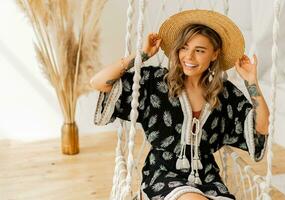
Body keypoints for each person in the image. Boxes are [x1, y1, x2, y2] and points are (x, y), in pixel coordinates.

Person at [90, 10, 269, 200]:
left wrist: (252, 82)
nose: (189, 57)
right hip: (163, 175)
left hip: (208, 179)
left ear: (215, 54)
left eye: (199, 50)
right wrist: (140, 56)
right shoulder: (156, 82)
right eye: (184, 48)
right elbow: (99, 82)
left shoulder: (224, 93)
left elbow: (262, 127)